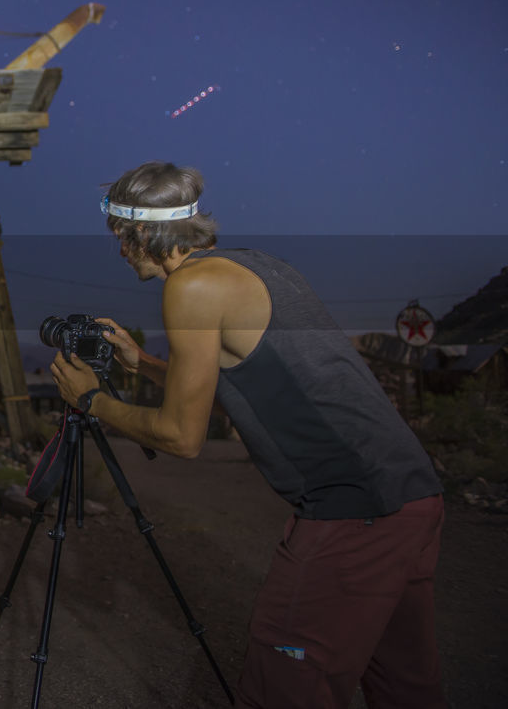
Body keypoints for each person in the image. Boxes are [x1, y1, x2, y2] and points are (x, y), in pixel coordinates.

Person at [51, 161, 445, 708]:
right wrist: (142, 364)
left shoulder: (190, 287)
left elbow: (181, 436)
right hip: (410, 498)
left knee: (285, 682)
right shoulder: (255, 266)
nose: (118, 248)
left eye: (118, 233)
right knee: (405, 684)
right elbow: (234, 379)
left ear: (141, 230)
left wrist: (91, 399)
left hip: (353, 511)